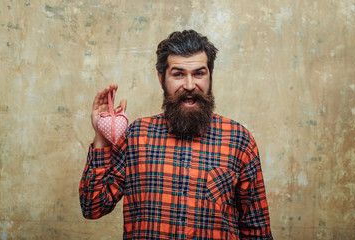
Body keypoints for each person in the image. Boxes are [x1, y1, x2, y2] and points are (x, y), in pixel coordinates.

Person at [79, 30, 273, 239]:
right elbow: (93, 206)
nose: (189, 86)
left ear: (211, 76)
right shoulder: (135, 136)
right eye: (178, 74)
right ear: (161, 79)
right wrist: (101, 137)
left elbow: (256, 230)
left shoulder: (239, 140)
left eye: (199, 73)